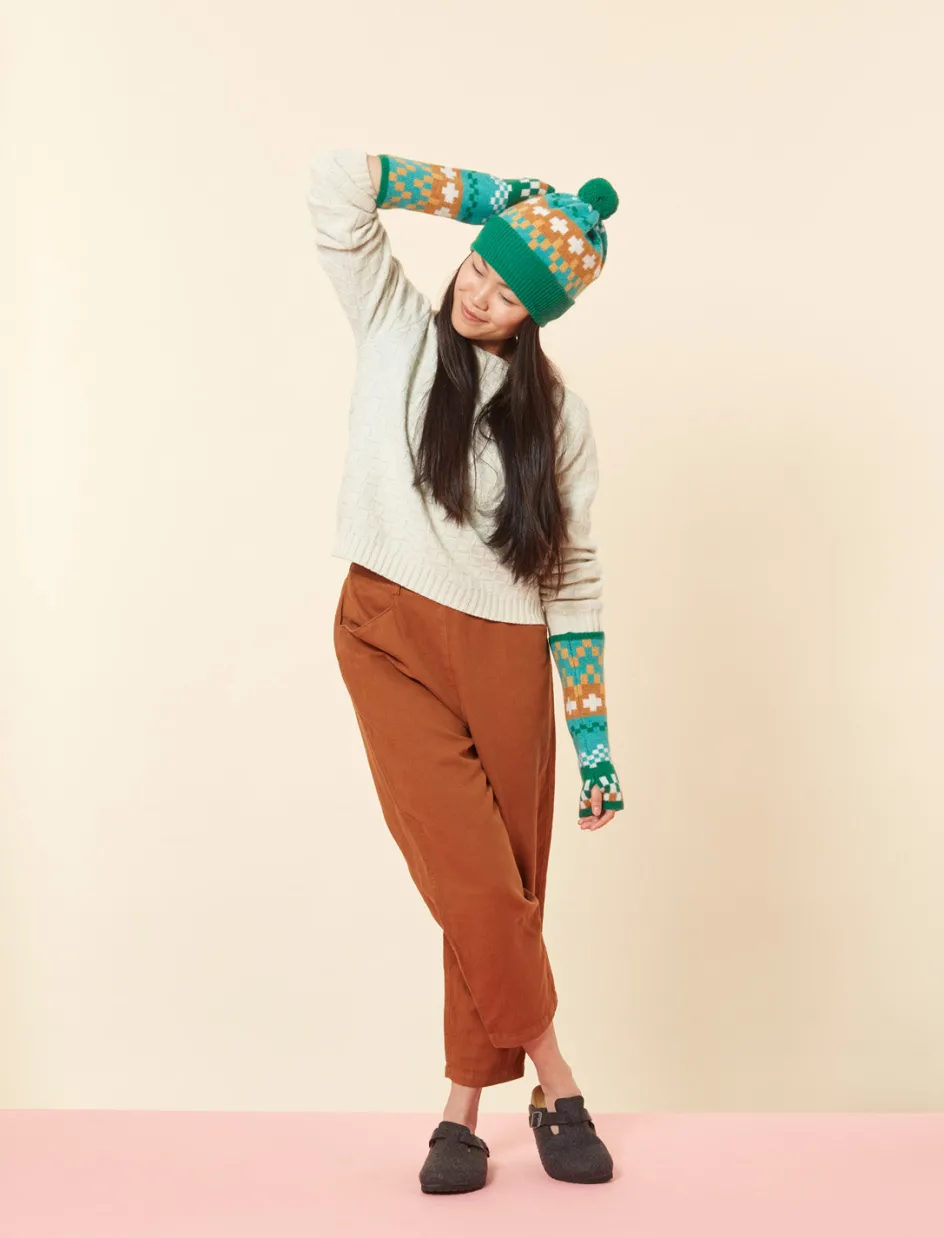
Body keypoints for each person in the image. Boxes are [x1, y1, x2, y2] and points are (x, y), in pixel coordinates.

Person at [306, 148, 625, 1192]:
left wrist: (593, 744)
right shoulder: (395, 323)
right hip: (386, 633)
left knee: (499, 887)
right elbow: (337, 182)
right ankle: (558, 1080)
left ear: (538, 318)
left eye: (507, 293)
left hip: (505, 653)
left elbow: (572, 579)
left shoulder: (561, 420)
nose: (478, 295)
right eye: (480, 267)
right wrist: (502, 202)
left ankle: (460, 1111)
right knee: (473, 874)